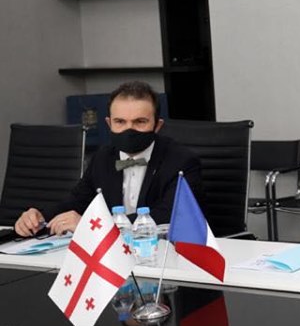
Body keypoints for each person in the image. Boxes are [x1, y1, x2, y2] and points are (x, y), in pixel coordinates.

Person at [14, 81, 203, 237]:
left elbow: (167, 216)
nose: (129, 129)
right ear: (109, 123)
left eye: (140, 122)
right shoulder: (103, 157)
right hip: (112, 256)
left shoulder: (182, 161)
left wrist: (90, 225)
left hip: (160, 252)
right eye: (120, 122)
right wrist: (39, 217)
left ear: (157, 125)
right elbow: (77, 202)